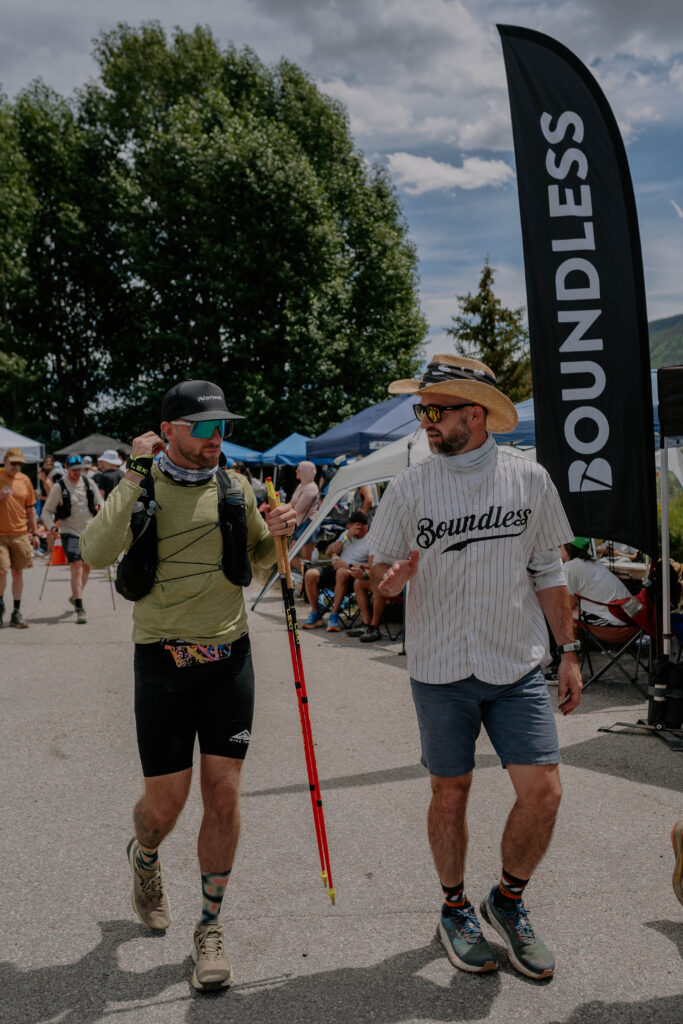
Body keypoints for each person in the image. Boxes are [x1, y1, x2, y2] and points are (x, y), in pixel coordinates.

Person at [368, 354, 582, 981]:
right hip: (439, 668)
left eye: (436, 411)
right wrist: (390, 580)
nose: (425, 421)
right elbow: (378, 573)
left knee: (544, 793)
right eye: (421, 410)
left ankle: (507, 900)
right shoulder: (410, 487)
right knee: (450, 792)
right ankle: (455, 908)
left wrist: (569, 651)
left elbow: (549, 569)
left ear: (476, 413)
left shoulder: (530, 478)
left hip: (515, 665)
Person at [80, 379, 296, 992]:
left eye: (221, 427)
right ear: (169, 430)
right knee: (164, 806)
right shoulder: (141, 484)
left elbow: (261, 558)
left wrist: (281, 529)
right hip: (162, 660)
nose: (216, 438)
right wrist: (132, 471)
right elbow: (94, 553)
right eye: (204, 428)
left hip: (229, 658)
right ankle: (145, 858)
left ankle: (209, 926)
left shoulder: (236, 487)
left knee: (223, 794)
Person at [41, 454, 104, 623]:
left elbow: (101, 501)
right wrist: (51, 527)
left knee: (87, 567)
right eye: (73, 470)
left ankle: (76, 594)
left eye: (79, 469)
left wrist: (101, 509)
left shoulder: (89, 483)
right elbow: (46, 510)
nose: (77, 473)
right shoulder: (59, 486)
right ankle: (80, 607)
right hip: (68, 531)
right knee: (76, 565)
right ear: (66, 468)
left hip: (89, 531)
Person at [301, 511, 372, 631]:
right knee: (310, 574)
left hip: (353, 573)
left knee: (341, 572)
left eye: (350, 525)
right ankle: (316, 613)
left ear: (358, 525)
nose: (347, 527)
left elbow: (371, 565)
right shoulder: (346, 534)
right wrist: (346, 537)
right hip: (337, 569)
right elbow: (329, 552)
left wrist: (347, 565)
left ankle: (334, 614)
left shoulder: (371, 540)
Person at [0, 447, 40, 627]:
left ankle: (16, 612)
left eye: (19, 464)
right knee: (2, 571)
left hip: (20, 534)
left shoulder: (25, 480)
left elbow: (31, 509)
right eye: (13, 463)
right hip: (0, 535)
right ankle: (0, 604)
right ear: (5, 461)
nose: (16, 467)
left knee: (18, 572)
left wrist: (35, 533)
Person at [561, 538, 632, 625]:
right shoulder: (594, 561)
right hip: (629, 616)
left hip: (615, 621)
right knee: (575, 609)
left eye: (560, 545)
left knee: (563, 612)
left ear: (568, 546)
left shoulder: (570, 566)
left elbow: (569, 604)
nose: (558, 549)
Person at [346, 555, 386, 642]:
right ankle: (366, 623)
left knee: (378, 586)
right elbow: (374, 566)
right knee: (359, 582)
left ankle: (374, 627)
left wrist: (365, 575)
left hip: (401, 586)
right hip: (385, 581)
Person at [289, 460, 321, 572]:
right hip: (300, 523)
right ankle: (306, 574)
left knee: (306, 558)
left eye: (299, 469)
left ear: (305, 471)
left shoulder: (311, 488)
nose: (296, 471)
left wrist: (286, 510)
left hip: (308, 524)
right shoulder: (301, 485)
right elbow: (292, 503)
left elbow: (298, 508)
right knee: (289, 553)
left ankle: (307, 577)